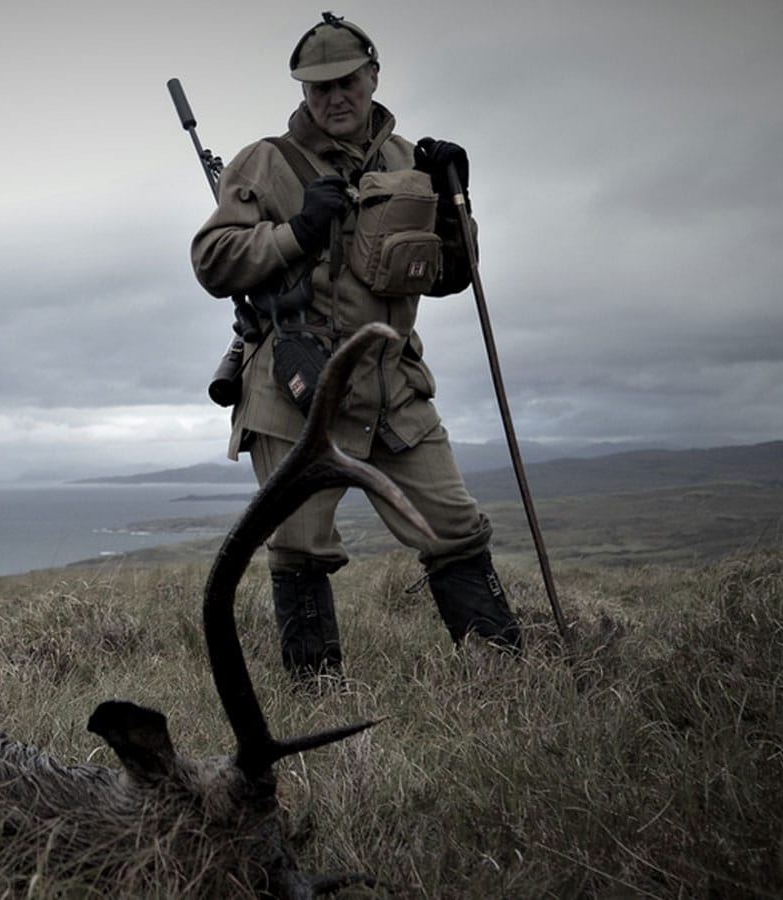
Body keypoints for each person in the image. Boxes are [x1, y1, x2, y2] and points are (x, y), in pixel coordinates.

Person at [190, 12, 520, 681]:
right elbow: (212, 259)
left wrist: (458, 202)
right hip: (297, 387)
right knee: (301, 546)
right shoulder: (266, 163)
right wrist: (299, 231)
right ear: (302, 93)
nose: (334, 98)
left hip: (393, 382)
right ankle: (317, 696)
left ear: (373, 77)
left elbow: (454, 277)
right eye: (318, 88)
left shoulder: (407, 163)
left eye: (346, 82)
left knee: (454, 526)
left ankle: (506, 679)